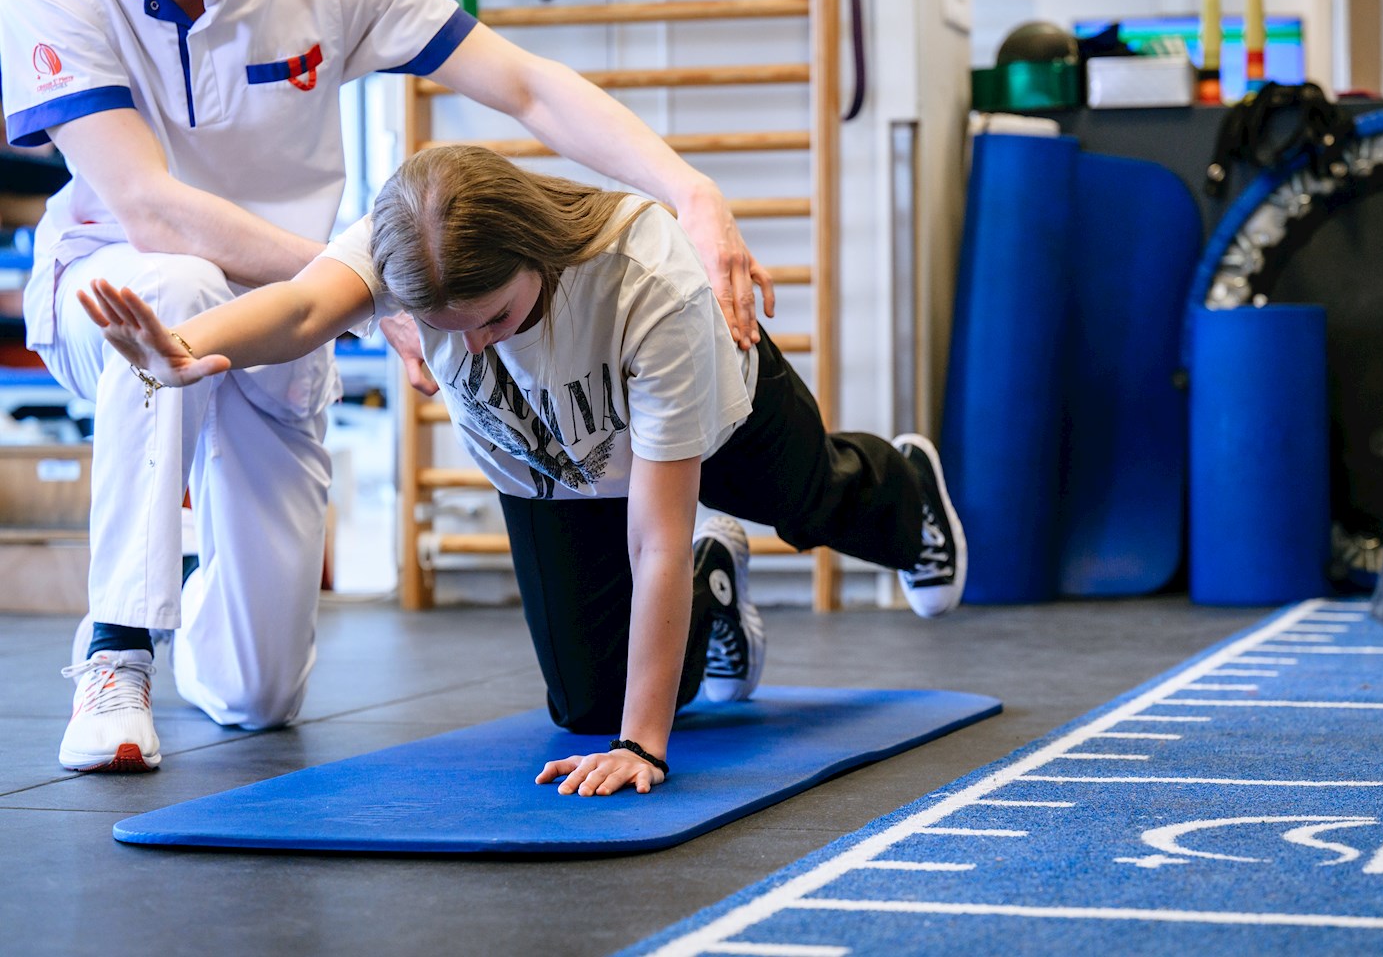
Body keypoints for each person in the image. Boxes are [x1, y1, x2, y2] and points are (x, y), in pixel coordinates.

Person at [0, 0, 773, 774]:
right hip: (117, 300)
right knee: (178, 286)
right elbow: (150, 211)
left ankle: (193, 591)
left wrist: (690, 188)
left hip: (293, 325)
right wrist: (364, 293)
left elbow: (524, 86)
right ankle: (118, 650)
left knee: (258, 697)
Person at [82, 143, 968, 796]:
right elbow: (307, 303)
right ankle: (717, 591)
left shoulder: (646, 279)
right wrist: (183, 347)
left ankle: (906, 489)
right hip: (557, 468)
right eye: (448, 327)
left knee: (809, 502)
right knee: (586, 709)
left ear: (535, 253)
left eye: (495, 320)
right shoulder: (410, 233)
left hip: (722, 421)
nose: (470, 350)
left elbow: (657, 540)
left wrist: (647, 749)